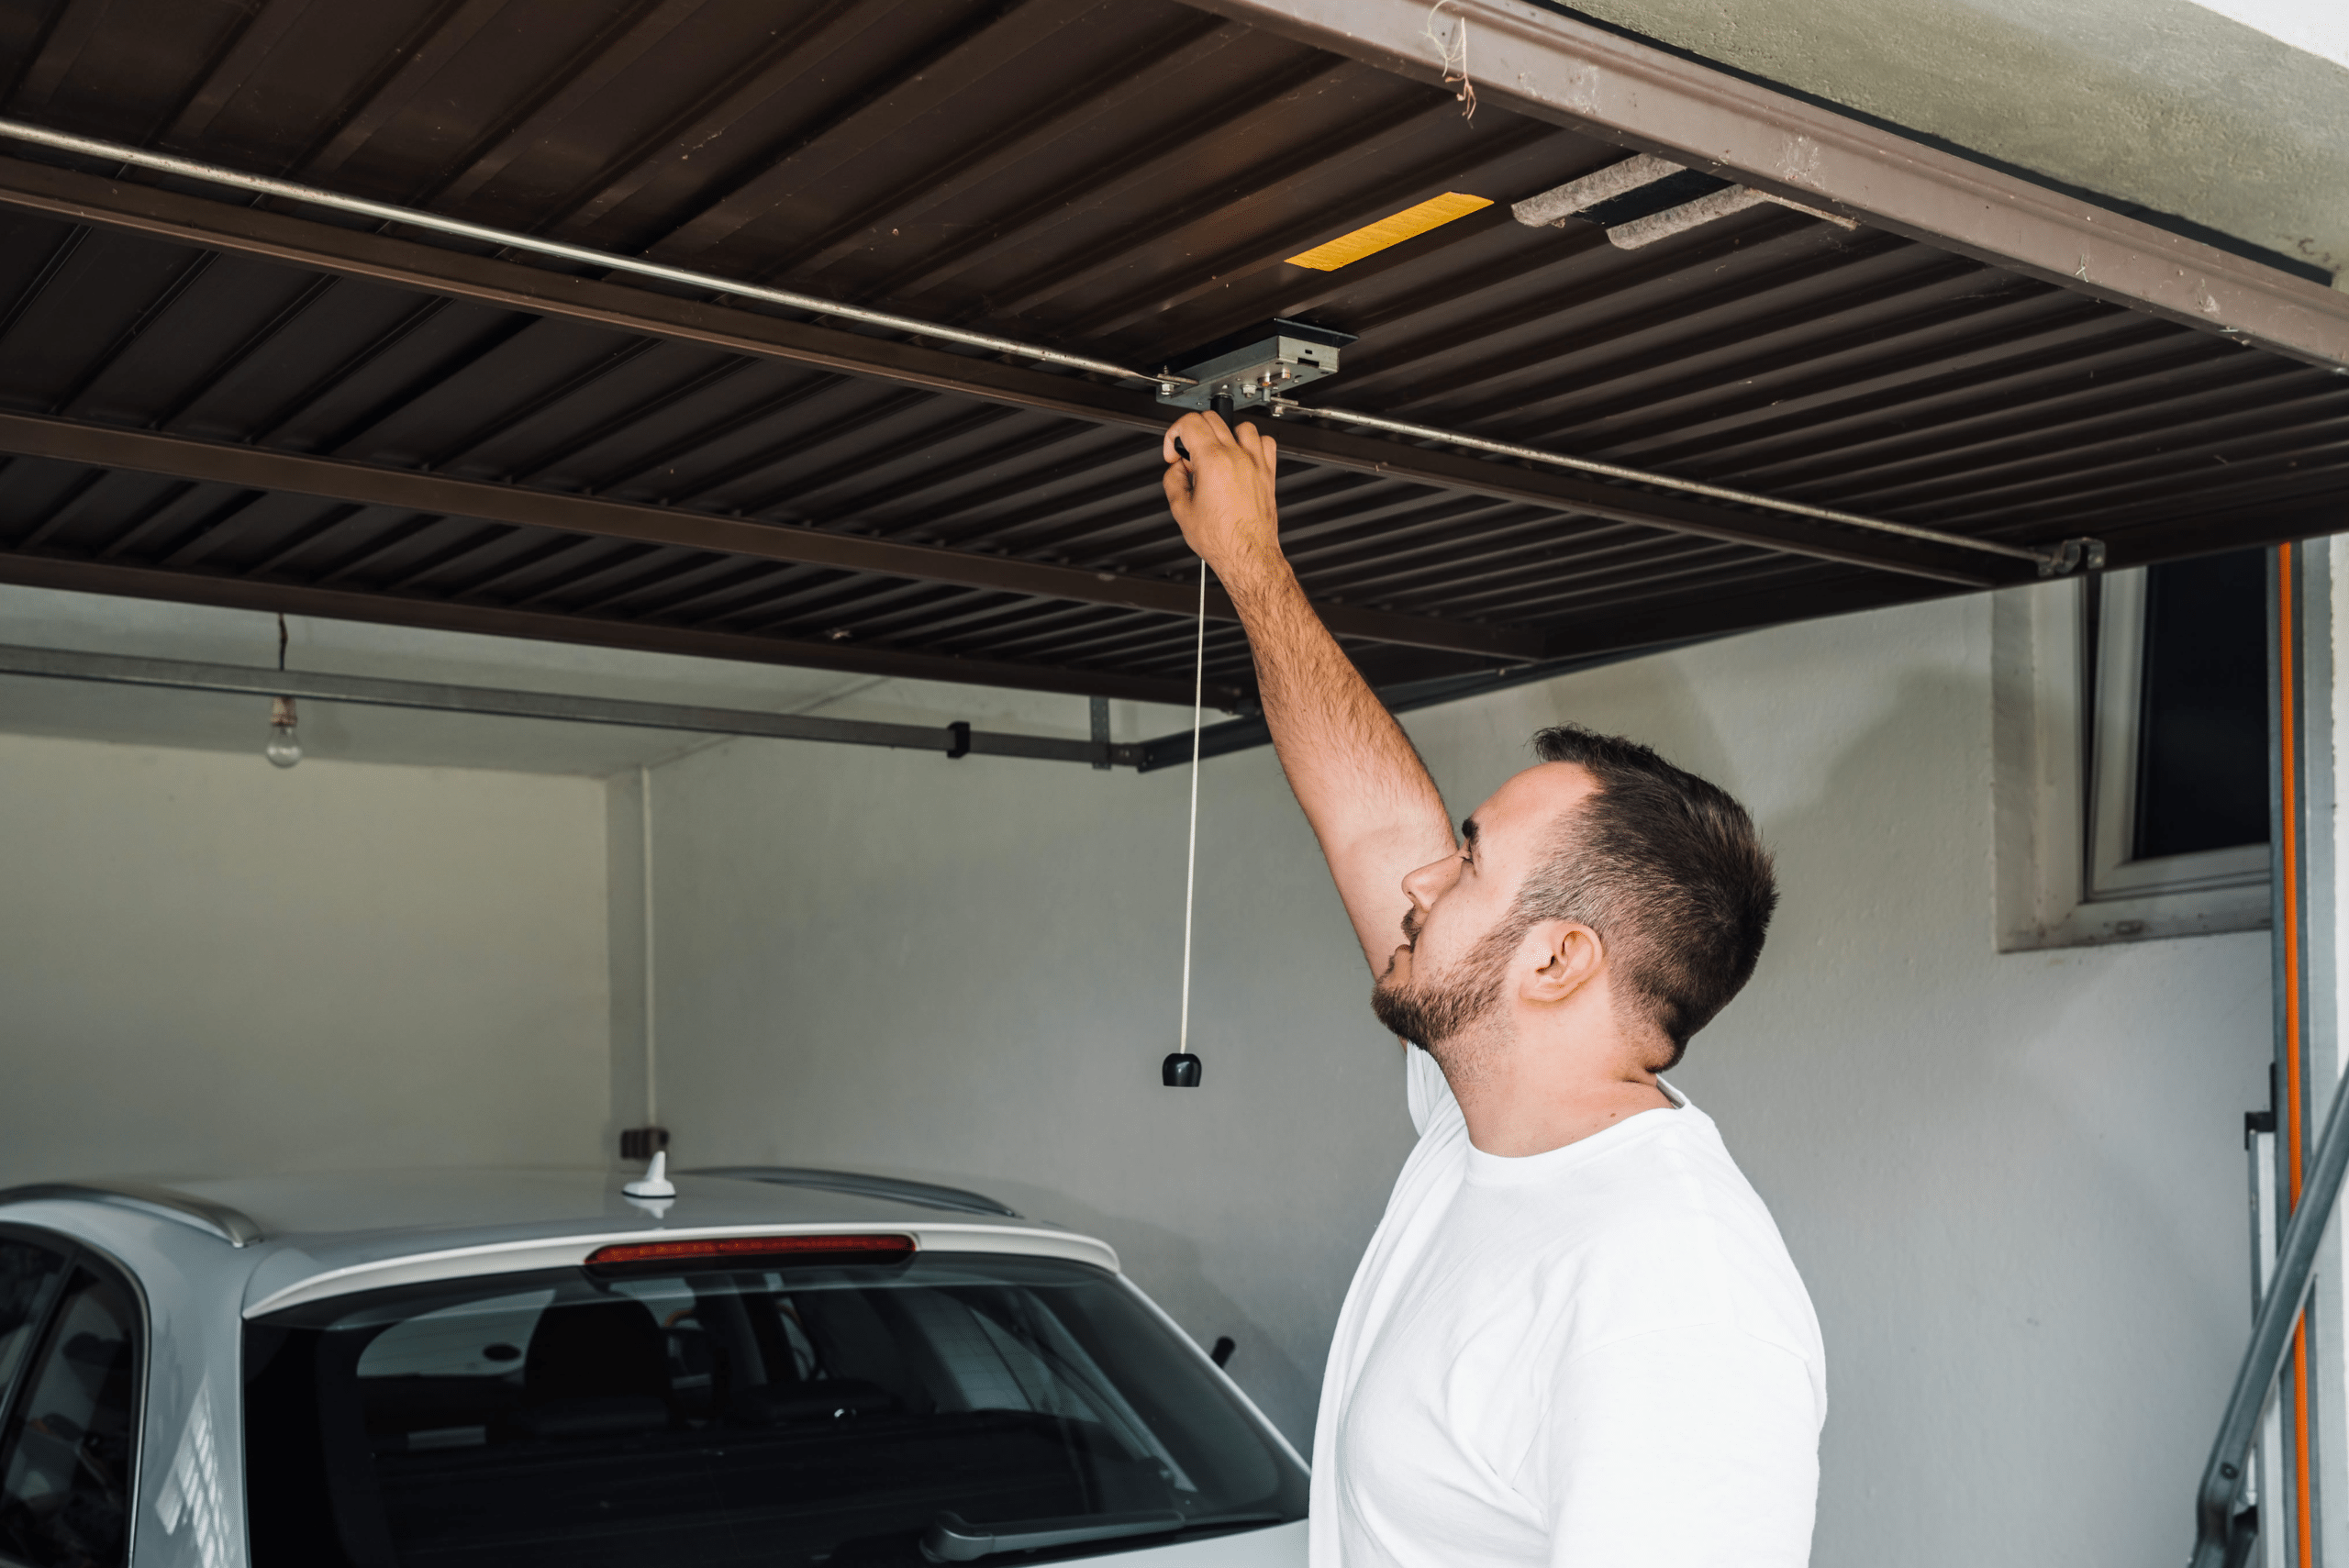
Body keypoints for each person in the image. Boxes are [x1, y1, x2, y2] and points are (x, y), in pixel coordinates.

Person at [1160, 409, 1827, 1567]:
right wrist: (1249, 563)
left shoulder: (1672, 1290)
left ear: (1558, 959)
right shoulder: (1478, 1127)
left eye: (1468, 858)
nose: (1423, 876)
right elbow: (1374, 823)